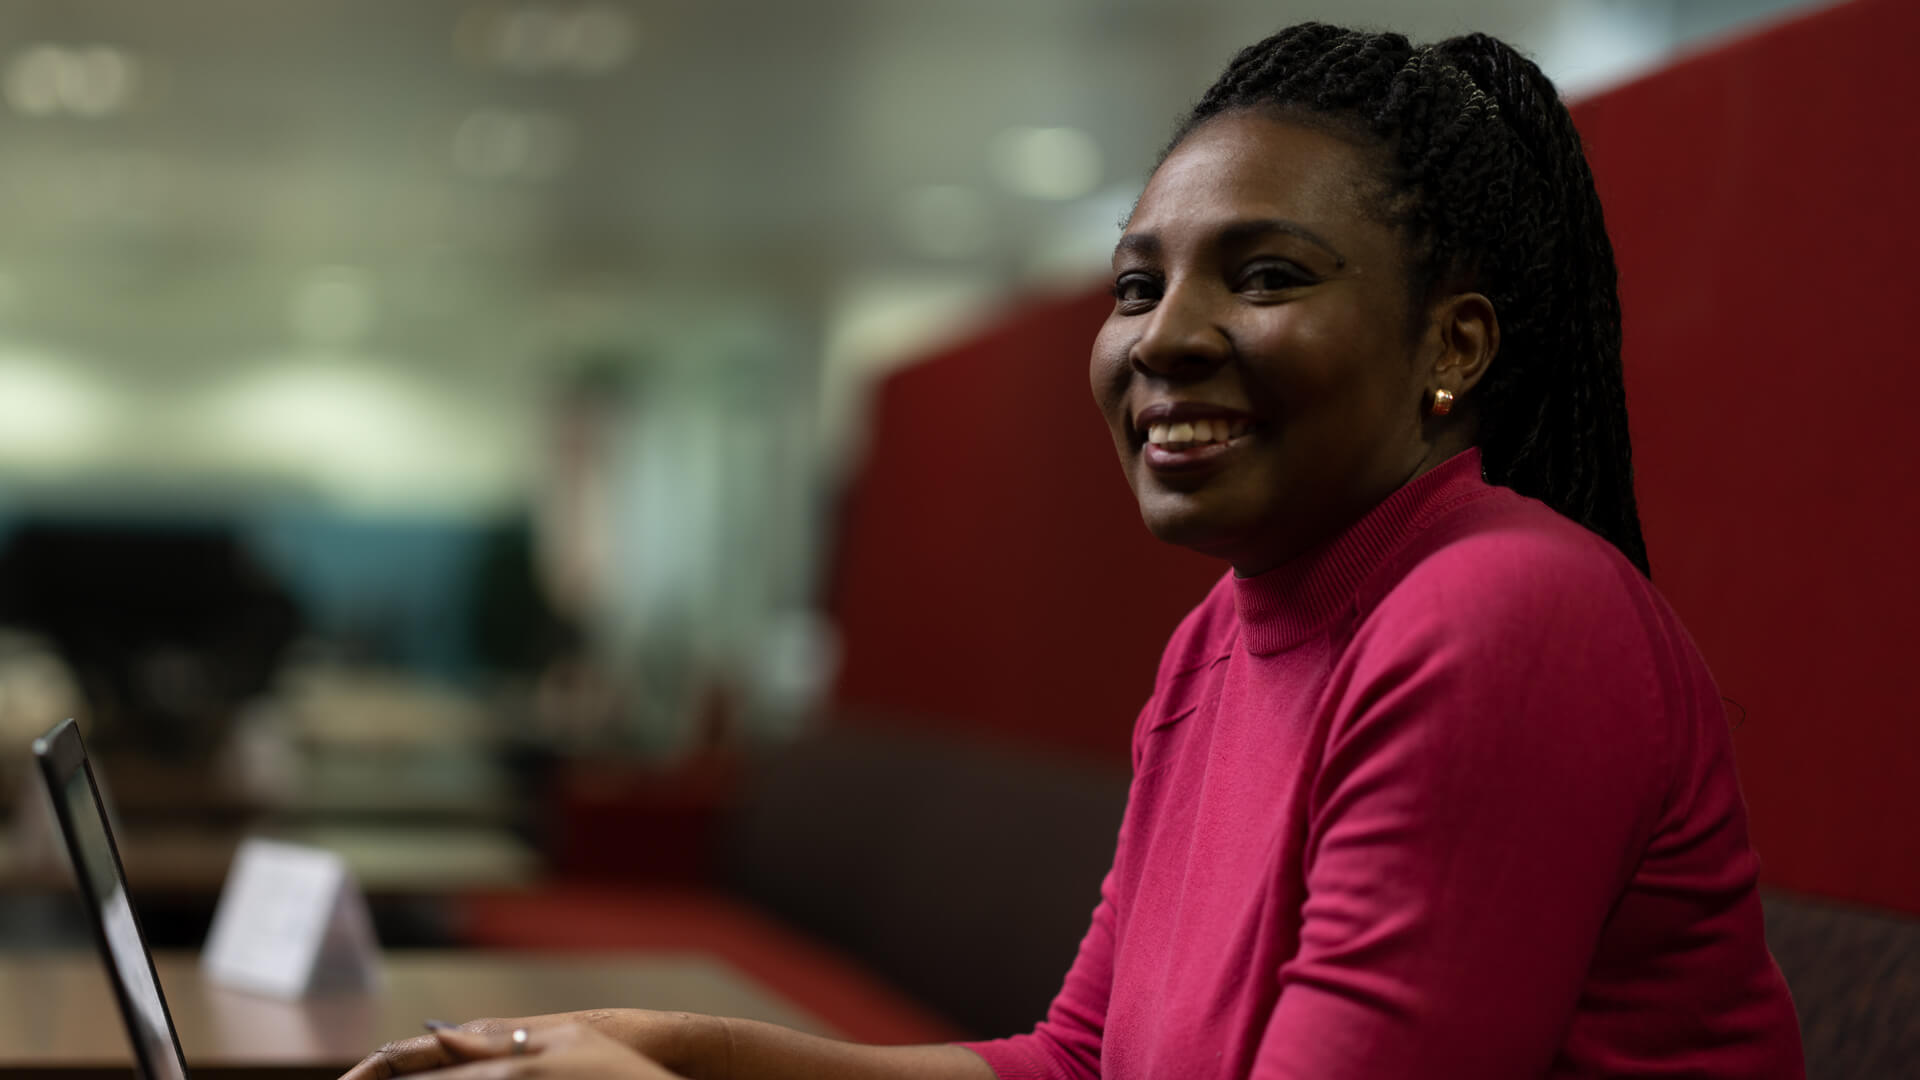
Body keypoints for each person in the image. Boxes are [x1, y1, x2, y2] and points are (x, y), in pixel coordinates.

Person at [343, 22, 1804, 1080]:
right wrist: (678, 1054)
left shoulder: (1504, 612)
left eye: (1269, 274)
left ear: (1453, 344)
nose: (1163, 338)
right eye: (1135, 282)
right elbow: (1080, 1059)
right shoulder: (1219, 639)